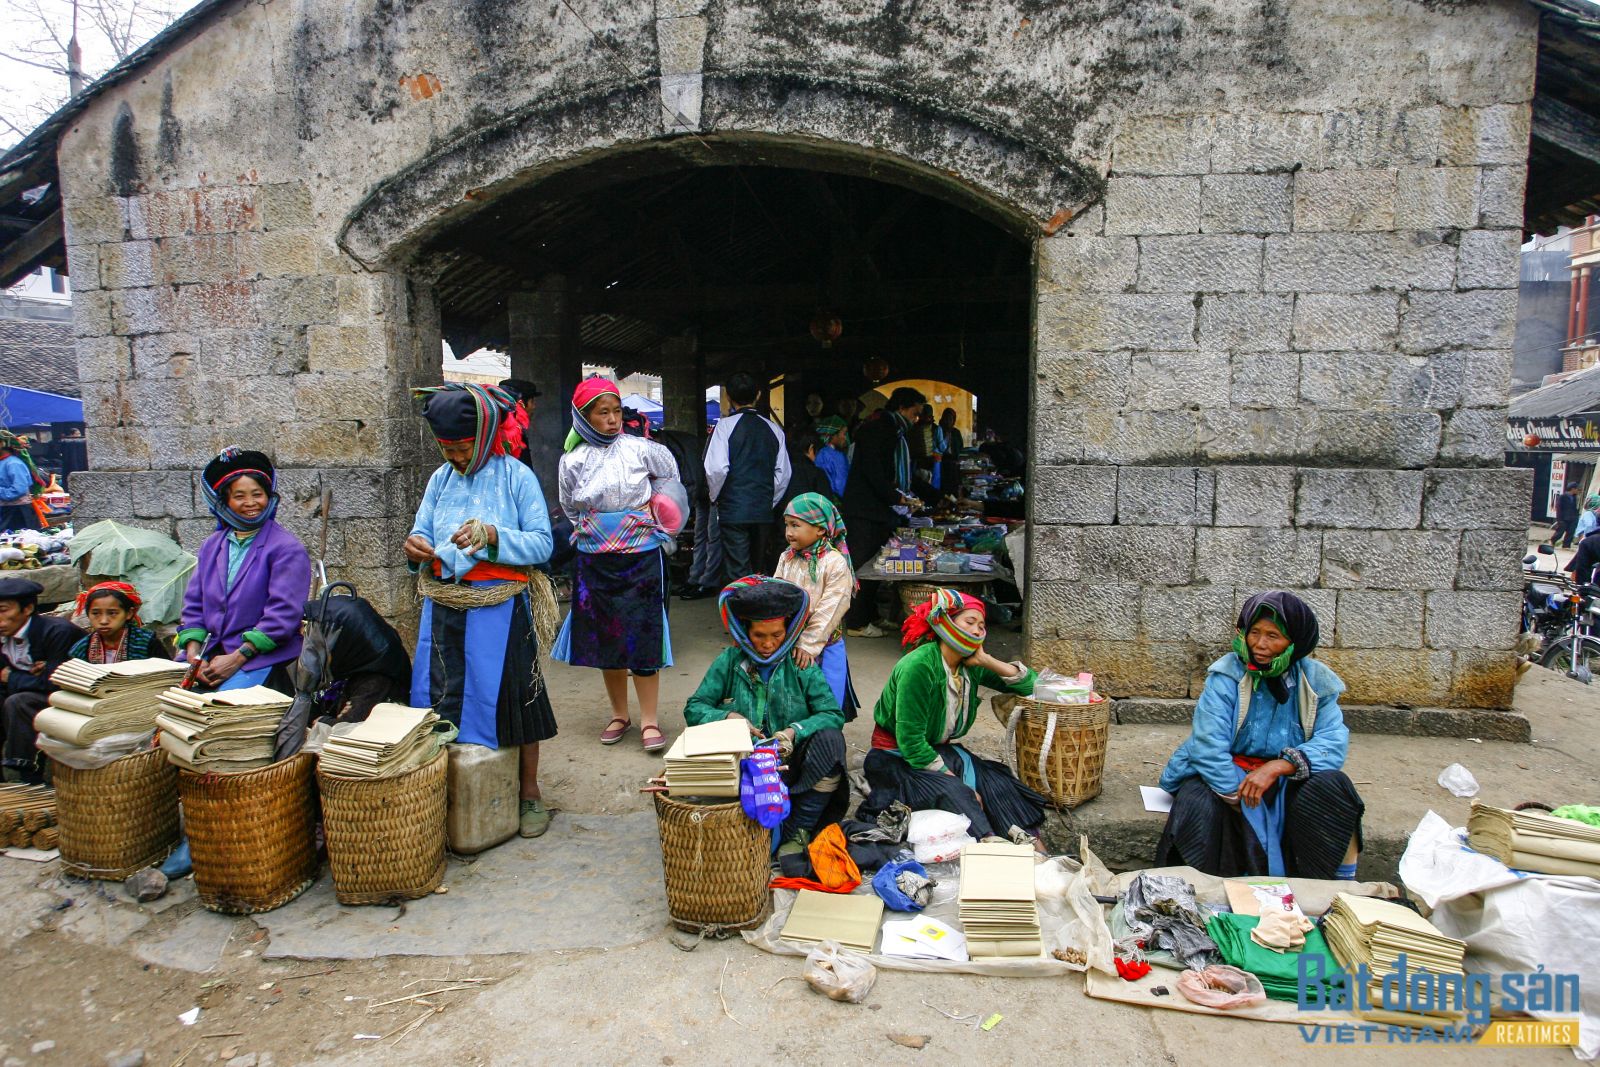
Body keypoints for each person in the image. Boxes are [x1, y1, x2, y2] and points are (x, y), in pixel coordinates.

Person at [406, 383, 558, 837]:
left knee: (515, 698)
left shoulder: (516, 476)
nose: (454, 457)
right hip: (446, 606)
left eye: (462, 447)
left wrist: (493, 536)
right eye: (447, 448)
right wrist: (415, 547)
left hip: (500, 607)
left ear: (487, 434)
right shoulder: (439, 480)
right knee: (441, 698)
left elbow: (544, 544)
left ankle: (529, 794)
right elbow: (420, 531)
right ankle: (451, 797)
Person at [1154, 591, 1363, 880]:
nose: (1260, 645)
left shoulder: (1316, 682)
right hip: (1229, 779)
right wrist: (1240, 797)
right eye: (1254, 632)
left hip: (1285, 779)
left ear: (1295, 642)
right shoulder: (1227, 675)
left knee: (1335, 788)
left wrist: (1279, 766)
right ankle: (1191, 889)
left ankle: (1337, 887)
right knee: (1195, 800)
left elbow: (1333, 742)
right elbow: (1207, 744)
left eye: (1273, 636)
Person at [553, 377, 683, 754]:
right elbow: (570, 507)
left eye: (615, 411)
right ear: (583, 416)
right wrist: (600, 531)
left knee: (643, 636)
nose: (612, 420)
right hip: (595, 560)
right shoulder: (571, 461)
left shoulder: (643, 449)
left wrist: (656, 512)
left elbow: (669, 480)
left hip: (642, 557)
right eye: (602, 413)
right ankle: (618, 714)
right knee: (607, 637)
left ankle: (650, 720)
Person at [858, 589, 1045, 844]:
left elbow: (1031, 686)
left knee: (996, 782)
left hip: (938, 751)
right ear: (945, 622)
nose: (978, 630)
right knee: (957, 792)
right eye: (970, 622)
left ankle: (1032, 846)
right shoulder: (920, 666)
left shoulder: (971, 666)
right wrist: (963, 786)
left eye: (982, 625)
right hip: (895, 759)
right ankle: (990, 845)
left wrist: (987, 660)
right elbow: (911, 743)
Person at [684, 577, 847, 856]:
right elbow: (694, 707)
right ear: (745, 631)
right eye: (759, 635)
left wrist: (794, 731)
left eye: (777, 635)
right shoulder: (729, 661)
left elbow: (832, 714)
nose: (768, 644)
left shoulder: (801, 664)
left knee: (831, 743)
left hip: (792, 766)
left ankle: (799, 828)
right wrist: (727, 717)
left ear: (788, 630)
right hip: (745, 767)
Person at [177, 448, 311, 694]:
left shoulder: (286, 549)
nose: (250, 503)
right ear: (224, 501)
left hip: (257, 658)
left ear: (268, 496)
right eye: (239, 496)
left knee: (216, 716)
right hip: (209, 654)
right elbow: (194, 604)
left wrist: (237, 658)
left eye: (257, 494)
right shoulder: (212, 546)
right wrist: (194, 654)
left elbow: (282, 616)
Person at [841, 386, 924, 638]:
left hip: (878, 510)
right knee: (862, 567)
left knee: (876, 567)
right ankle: (856, 622)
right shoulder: (878, 429)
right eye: (914, 413)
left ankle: (871, 615)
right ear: (901, 407)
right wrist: (897, 497)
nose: (916, 419)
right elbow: (875, 473)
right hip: (864, 510)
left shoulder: (892, 431)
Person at [773, 493, 858, 717]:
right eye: (787, 525)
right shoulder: (786, 558)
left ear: (820, 529)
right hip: (789, 642)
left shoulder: (834, 562)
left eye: (796, 525)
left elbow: (832, 608)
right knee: (791, 700)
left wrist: (809, 644)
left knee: (825, 700)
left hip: (824, 644)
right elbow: (776, 593)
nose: (789, 532)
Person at [704, 371, 790, 584]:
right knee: (759, 567)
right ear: (758, 395)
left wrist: (716, 497)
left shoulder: (724, 427)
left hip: (733, 509)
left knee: (738, 570)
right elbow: (783, 474)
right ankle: (757, 614)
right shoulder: (774, 429)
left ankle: (742, 613)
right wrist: (768, 500)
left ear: (729, 398)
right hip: (762, 509)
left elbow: (716, 469)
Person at [0, 578, 81, 782]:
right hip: (26, 694)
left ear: (27, 609)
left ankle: (27, 770)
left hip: (67, 699)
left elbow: (54, 682)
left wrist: (12, 677)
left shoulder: (57, 632)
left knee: (19, 702)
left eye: (3, 610)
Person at [301, 591, 412, 724]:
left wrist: (324, 721)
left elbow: (348, 725)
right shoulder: (348, 661)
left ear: (346, 641)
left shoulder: (377, 679)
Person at [69, 582, 173, 664]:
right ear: (88, 614)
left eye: (112, 613)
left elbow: (168, 673)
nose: (103, 621)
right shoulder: (82, 647)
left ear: (129, 613)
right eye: (96, 613)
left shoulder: (146, 642)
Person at [0, 430, 47, 532]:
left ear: (2, 444)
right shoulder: (3, 462)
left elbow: (18, 489)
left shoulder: (14, 464)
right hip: (6, 510)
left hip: (18, 512)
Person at [498, 378, 542, 467]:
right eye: (532, 401)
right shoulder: (512, 436)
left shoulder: (499, 428)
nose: (534, 406)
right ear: (521, 403)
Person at [812, 417, 850, 499]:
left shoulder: (840, 454)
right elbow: (835, 485)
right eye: (844, 434)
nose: (845, 438)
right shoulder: (825, 455)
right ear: (833, 435)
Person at [938, 408, 964, 497]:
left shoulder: (956, 433)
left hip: (953, 463)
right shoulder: (939, 431)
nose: (948, 421)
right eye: (946, 418)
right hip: (942, 463)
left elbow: (960, 448)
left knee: (954, 488)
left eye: (951, 419)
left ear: (953, 420)